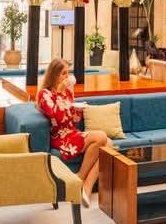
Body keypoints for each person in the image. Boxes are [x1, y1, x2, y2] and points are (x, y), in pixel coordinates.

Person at [36, 58, 110, 208]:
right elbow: (57, 117)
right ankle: (80, 177)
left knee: (109, 144)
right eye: (63, 73)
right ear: (54, 74)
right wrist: (59, 92)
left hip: (72, 132)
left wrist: (78, 110)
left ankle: (87, 187)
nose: (67, 77)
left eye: (68, 73)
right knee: (102, 137)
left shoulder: (68, 92)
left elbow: (73, 120)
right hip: (60, 137)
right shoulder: (45, 94)